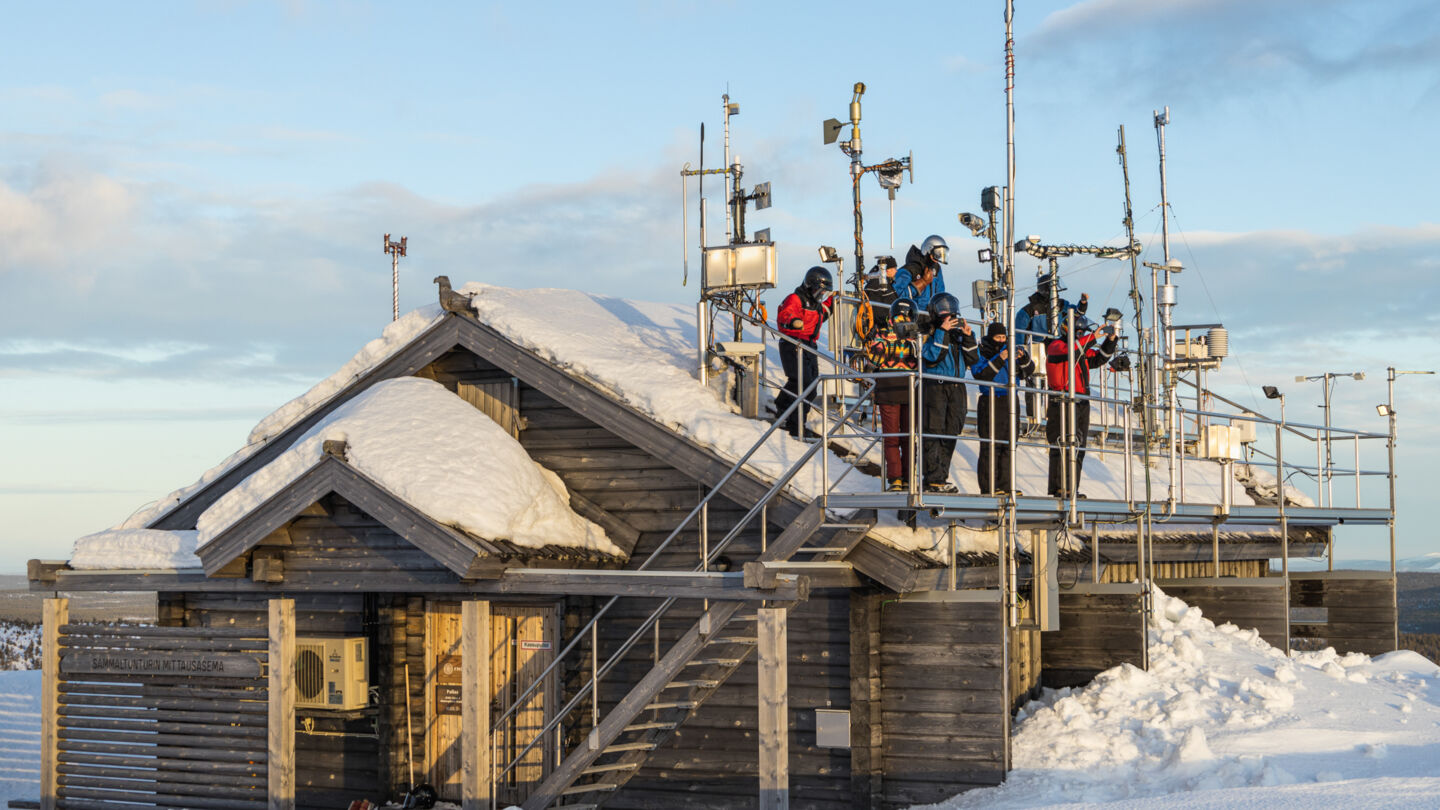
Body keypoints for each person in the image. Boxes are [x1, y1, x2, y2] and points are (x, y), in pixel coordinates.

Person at [1045, 317, 1118, 498]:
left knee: (1078, 446)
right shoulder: (1056, 346)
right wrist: (1093, 336)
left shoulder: (1080, 350)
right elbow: (1071, 351)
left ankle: (1071, 487)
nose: (1080, 335)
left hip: (1080, 401)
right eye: (1078, 332)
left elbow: (1100, 358)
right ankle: (1059, 487)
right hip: (1062, 401)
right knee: (1062, 444)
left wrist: (1110, 341)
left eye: (1082, 333)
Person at [918, 292, 977, 493]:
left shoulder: (958, 335)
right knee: (933, 431)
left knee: (951, 431)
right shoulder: (929, 332)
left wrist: (968, 337)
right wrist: (942, 332)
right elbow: (933, 357)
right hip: (935, 385)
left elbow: (973, 360)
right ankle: (932, 478)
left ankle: (941, 478)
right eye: (945, 313)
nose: (950, 318)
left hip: (956, 387)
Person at [861, 297, 920, 491]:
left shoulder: (917, 338)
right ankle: (895, 478)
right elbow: (875, 358)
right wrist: (892, 339)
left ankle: (909, 476)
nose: (902, 321)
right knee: (892, 437)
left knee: (909, 436)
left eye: (906, 317)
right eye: (899, 317)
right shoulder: (882, 334)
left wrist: (912, 340)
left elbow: (924, 358)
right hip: (888, 389)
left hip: (910, 390)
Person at [971, 322, 1036, 495]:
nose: (1001, 340)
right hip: (991, 398)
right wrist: (1001, 357)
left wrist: (1022, 357)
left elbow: (1029, 370)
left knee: (1009, 444)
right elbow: (981, 373)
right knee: (991, 444)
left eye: (1003, 337)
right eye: (997, 337)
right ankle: (989, 486)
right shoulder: (983, 350)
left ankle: (1006, 485)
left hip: (1010, 398)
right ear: (991, 337)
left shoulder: (1011, 348)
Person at [775, 266, 835, 439]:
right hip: (793, 343)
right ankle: (793, 422)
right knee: (802, 382)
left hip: (809, 345)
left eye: (823, 292)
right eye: (819, 290)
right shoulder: (795, 298)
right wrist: (793, 321)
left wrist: (834, 300)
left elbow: (823, 313)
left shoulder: (816, 305)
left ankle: (791, 413)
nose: (821, 294)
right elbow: (786, 313)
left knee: (812, 385)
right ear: (810, 285)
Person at [894, 234, 948, 313]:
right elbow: (896, 295)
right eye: (937, 254)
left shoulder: (936, 269)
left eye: (941, 254)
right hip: (912, 315)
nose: (938, 258)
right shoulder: (910, 269)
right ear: (928, 250)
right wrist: (923, 282)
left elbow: (940, 294)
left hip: (931, 316)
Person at [862, 255, 899, 332]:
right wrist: (887, 322)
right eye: (894, 268)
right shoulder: (876, 285)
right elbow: (876, 309)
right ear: (887, 270)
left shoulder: (886, 283)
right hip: (881, 328)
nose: (896, 271)